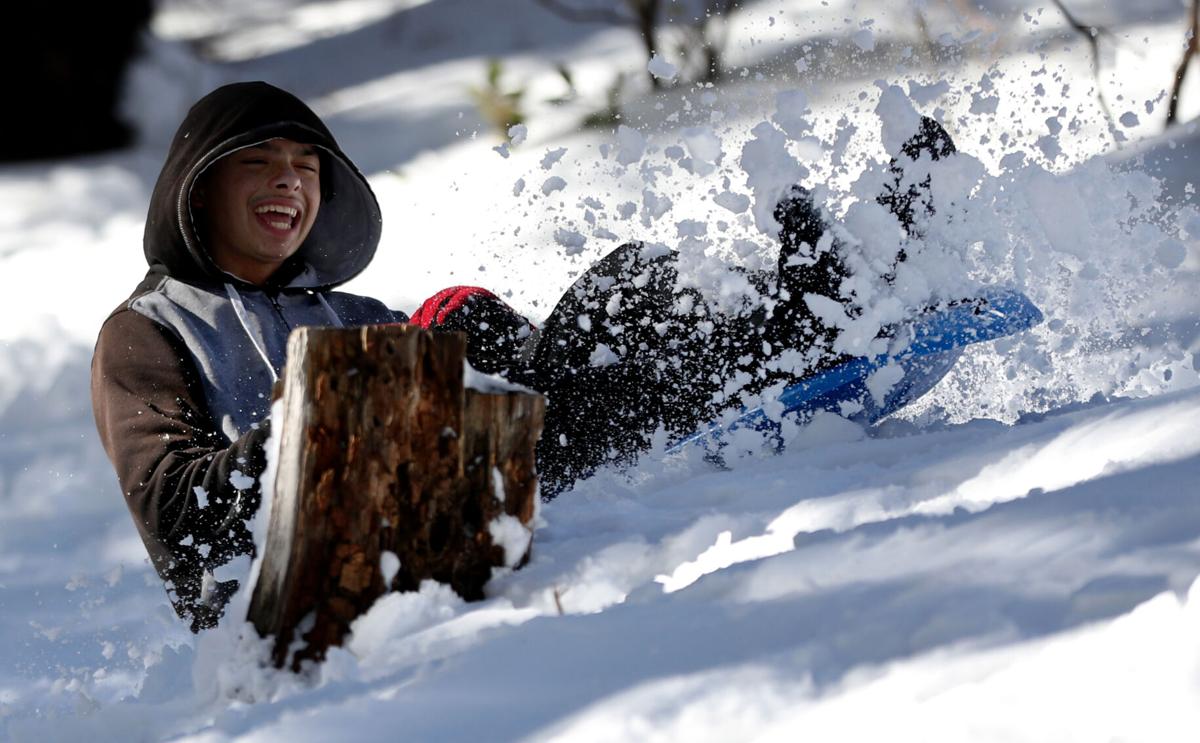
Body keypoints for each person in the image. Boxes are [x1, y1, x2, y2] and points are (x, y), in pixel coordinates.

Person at [92, 81, 955, 632]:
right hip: (297, 588)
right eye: (258, 161)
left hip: (452, 501)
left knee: (620, 292)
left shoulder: (350, 311)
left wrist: (423, 361)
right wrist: (325, 414)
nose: (289, 181)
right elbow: (177, 517)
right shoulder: (149, 332)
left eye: (305, 165)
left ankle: (832, 303)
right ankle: (819, 323)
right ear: (195, 186)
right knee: (482, 332)